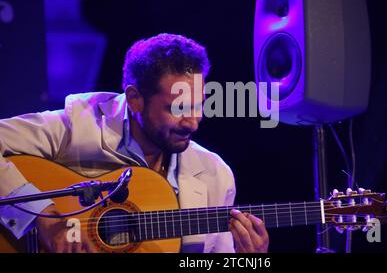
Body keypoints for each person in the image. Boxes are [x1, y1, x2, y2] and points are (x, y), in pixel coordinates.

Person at [0, 33, 269, 253]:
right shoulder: (80, 123)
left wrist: (250, 260)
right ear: (135, 98)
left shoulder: (215, 175)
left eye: (198, 106)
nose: (192, 123)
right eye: (178, 108)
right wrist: (45, 219)